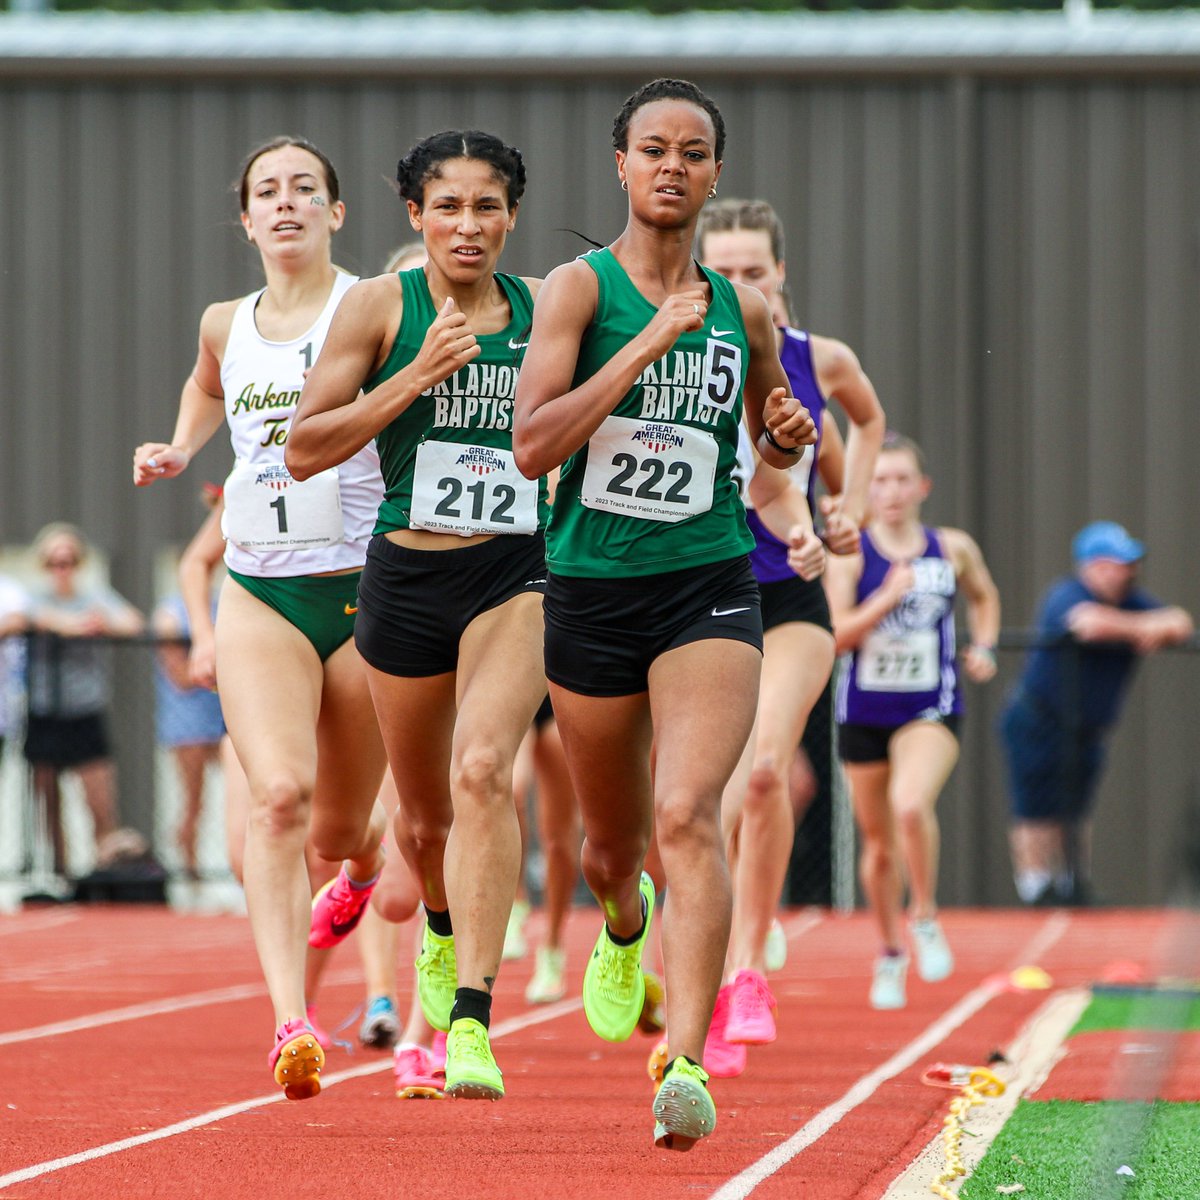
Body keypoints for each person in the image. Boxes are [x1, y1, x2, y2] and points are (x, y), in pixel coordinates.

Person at [513, 77, 815, 1150]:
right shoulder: (578, 291)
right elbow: (533, 445)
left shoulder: (748, 310)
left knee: (689, 811)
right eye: (654, 149)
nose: (673, 165)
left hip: (709, 580)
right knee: (609, 846)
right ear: (623, 166)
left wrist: (782, 436)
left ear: (715, 173)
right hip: (593, 589)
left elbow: (769, 442)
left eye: (694, 150)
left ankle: (684, 1062)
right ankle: (624, 926)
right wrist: (648, 345)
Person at [286, 129, 547, 1102]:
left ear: (512, 215)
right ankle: (437, 922)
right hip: (402, 577)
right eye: (449, 206)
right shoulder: (376, 307)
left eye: (487, 206)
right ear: (416, 216)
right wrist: (416, 377)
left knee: (486, 771)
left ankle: (472, 1022)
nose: (468, 225)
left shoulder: (544, 310)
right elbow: (305, 448)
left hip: (515, 576)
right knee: (426, 823)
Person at [133, 136, 389, 1100]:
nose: (286, 205)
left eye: (305, 190)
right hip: (262, 587)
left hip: (367, 587)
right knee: (276, 799)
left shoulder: (373, 306)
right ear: (246, 219)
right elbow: (209, 384)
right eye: (267, 194)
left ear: (336, 212)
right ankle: (292, 1020)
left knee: (344, 827)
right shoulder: (223, 320)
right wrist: (178, 445)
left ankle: (362, 873)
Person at [695, 197, 886, 1075]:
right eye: (723, 269)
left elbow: (853, 441)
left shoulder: (817, 361)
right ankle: (684, 952)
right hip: (693, 601)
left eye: (754, 271)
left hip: (788, 602)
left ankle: (745, 968)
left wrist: (838, 520)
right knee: (701, 799)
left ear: (781, 276)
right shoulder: (674, 351)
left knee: (769, 769)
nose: (739, 285)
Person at [825, 433, 1000, 1010]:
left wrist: (987, 646)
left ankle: (924, 914)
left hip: (932, 704)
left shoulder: (951, 548)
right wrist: (887, 596)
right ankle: (891, 949)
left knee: (909, 803)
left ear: (922, 487)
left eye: (902, 479)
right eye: (880, 480)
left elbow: (984, 596)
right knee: (877, 847)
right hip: (866, 712)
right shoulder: (850, 553)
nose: (892, 491)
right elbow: (836, 637)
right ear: (865, 490)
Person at [1000, 520, 1193, 906]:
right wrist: (1142, 629)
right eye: (1117, 563)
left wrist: (1145, 626)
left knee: (1077, 808)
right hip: (1039, 721)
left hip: (1088, 729)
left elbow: (1180, 621)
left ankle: (1074, 881)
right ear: (1093, 566)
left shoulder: (1132, 600)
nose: (1126, 572)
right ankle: (1036, 887)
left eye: (1129, 564)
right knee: (1037, 809)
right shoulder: (1066, 594)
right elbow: (1088, 624)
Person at [23, 523, 145, 877]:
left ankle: (103, 873)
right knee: (49, 803)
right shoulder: (34, 598)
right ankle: (60, 875)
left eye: (69, 561)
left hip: (86, 710)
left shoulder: (94, 596)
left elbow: (133, 623)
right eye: (55, 562)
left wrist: (98, 623)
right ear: (44, 565)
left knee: (100, 801)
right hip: (44, 711)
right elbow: (22, 616)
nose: (62, 569)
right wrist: (62, 624)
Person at [152, 489, 227, 882]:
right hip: (188, 721)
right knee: (194, 803)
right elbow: (179, 676)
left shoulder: (222, 602)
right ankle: (189, 873)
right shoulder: (170, 612)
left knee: (239, 795)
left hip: (222, 715)